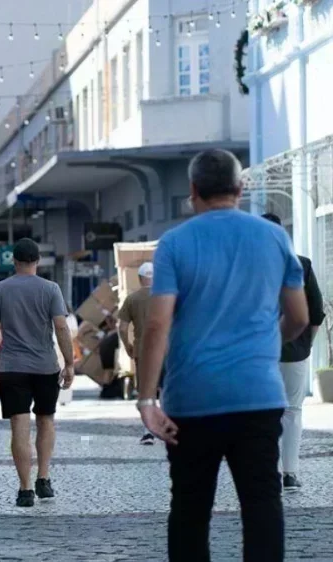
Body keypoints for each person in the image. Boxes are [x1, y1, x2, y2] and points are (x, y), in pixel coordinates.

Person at [138, 149, 309, 561]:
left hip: (192, 399)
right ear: (240, 187)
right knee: (262, 502)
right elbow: (300, 317)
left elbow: (157, 325)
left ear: (193, 190)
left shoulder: (175, 243)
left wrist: (146, 400)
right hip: (258, 395)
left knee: (190, 507)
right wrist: (266, 347)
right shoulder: (273, 237)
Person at [0, 238, 75, 508]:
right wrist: (69, 363)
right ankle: (43, 478)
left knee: (19, 426)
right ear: (38, 261)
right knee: (46, 420)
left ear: (14, 261)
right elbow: (61, 327)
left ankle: (25, 489)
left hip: (12, 367)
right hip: (45, 366)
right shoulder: (51, 289)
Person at [261, 213, 326, 490]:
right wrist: (306, 343)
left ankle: (266, 471)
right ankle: (289, 473)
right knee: (292, 411)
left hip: (258, 352)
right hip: (295, 350)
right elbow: (316, 312)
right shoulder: (302, 264)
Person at [118, 262, 157, 444]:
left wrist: (127, 346)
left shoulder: (132, 299)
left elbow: (122, 328)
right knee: (166, 389)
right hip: (166, 350)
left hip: (143, 352)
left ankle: (148, 432)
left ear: (140, 279)